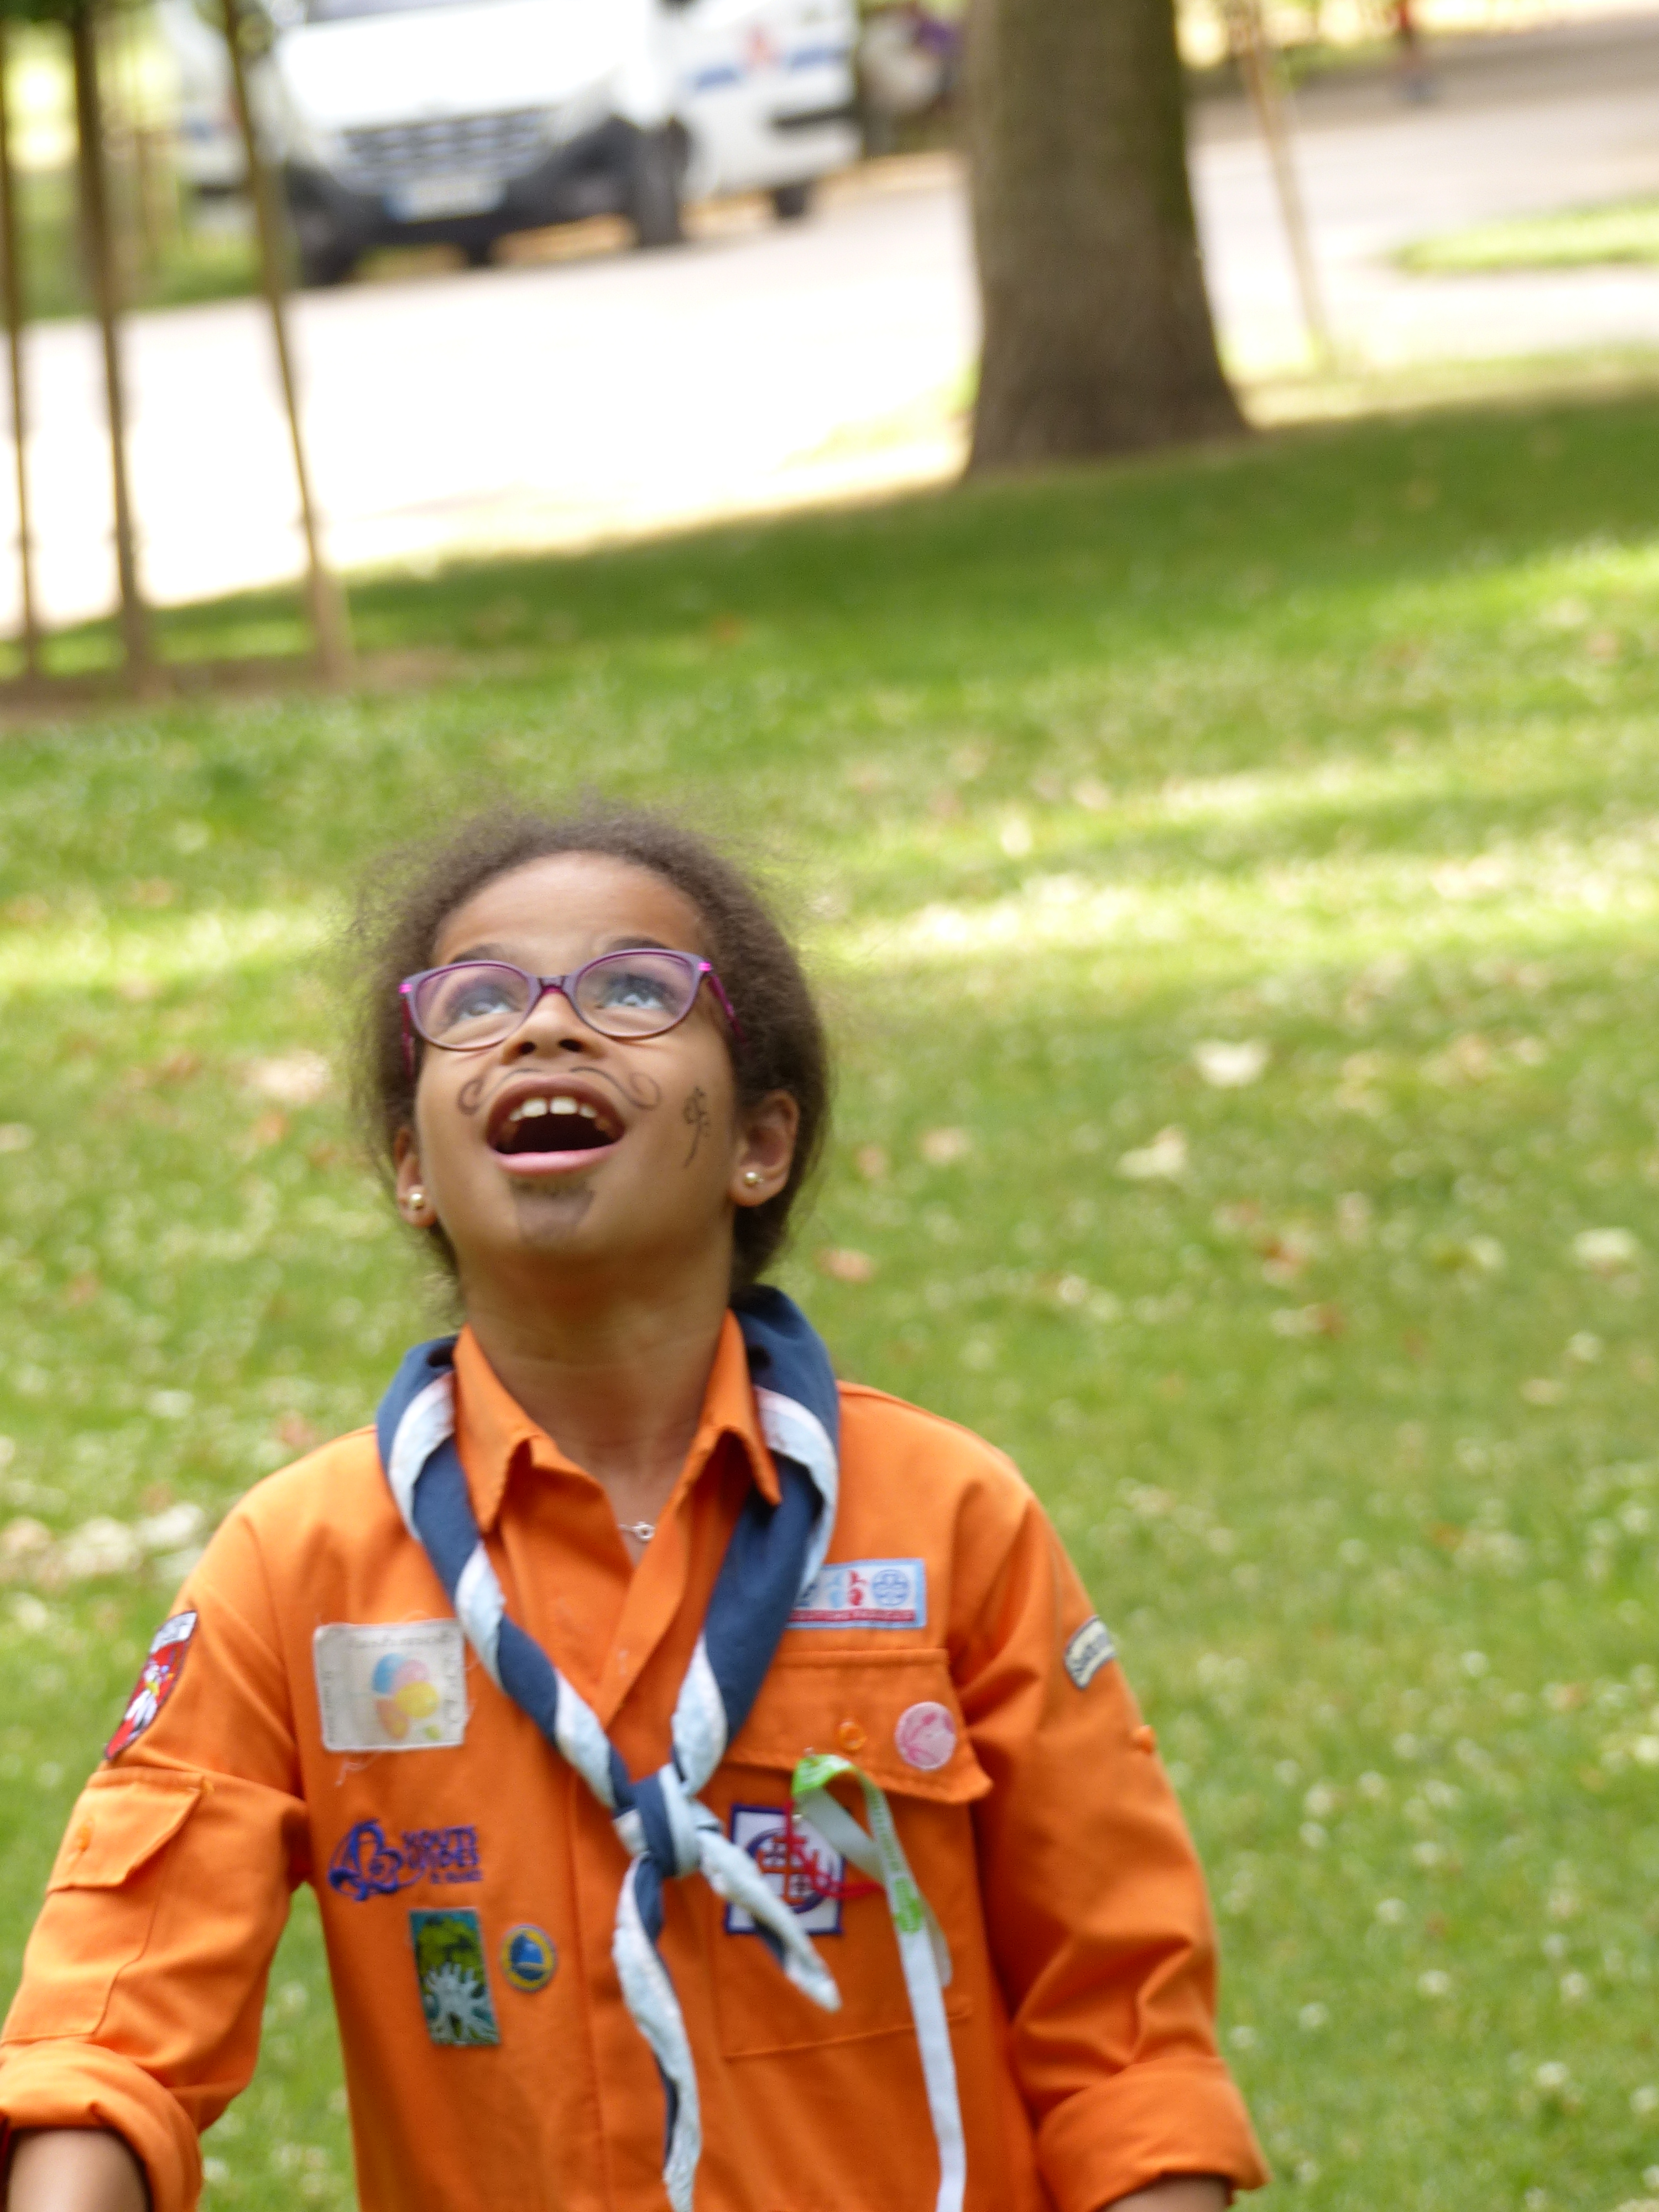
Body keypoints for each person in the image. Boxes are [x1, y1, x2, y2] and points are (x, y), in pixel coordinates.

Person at [0, 806, 1267, 2212]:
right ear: (412, 1167)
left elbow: (1129, 2052)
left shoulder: (950, 1517)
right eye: (475, 1002)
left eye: (634, 989)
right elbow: (106, 2038)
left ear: (760, 1143)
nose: (546, 1026)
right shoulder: (299, 1565)